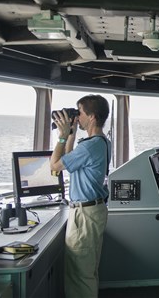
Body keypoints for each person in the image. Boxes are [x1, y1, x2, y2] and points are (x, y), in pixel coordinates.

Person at [50, 94, 111, 298]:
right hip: (91, 211)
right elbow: (69, 162)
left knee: (81, 273)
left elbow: (55, 166)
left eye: (81, 113)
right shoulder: (100, 142)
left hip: (85, 215)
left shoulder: (90, 146)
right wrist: (71, 134)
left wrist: (61, 135)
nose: (78, 117)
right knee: (86, 270)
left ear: (92, 117)